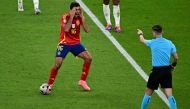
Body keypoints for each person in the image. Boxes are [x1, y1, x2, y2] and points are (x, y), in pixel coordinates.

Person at [47, 2, 92, 91]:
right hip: (64, 43)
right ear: (71, 10)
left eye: (79, 9)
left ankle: (82, 81)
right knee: (57, 64)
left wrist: (83, 17)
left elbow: (87, 30)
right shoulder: (65, 17)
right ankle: (49, 85)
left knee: (89, 58)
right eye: (76, 10)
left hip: (76, 43)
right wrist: (71, 17)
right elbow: (66, 29)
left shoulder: (80, 17)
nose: (78, 12)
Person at [137, 25, 178, 109]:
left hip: (156, 72)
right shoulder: (169, 43)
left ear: (154, 33)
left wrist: (140, 33)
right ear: (162, 32)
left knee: (148, 92)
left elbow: (142, 40)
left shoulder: (152, 42)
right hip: (167, 71)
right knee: (169, 94)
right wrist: (173, 65)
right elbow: (176, 57)